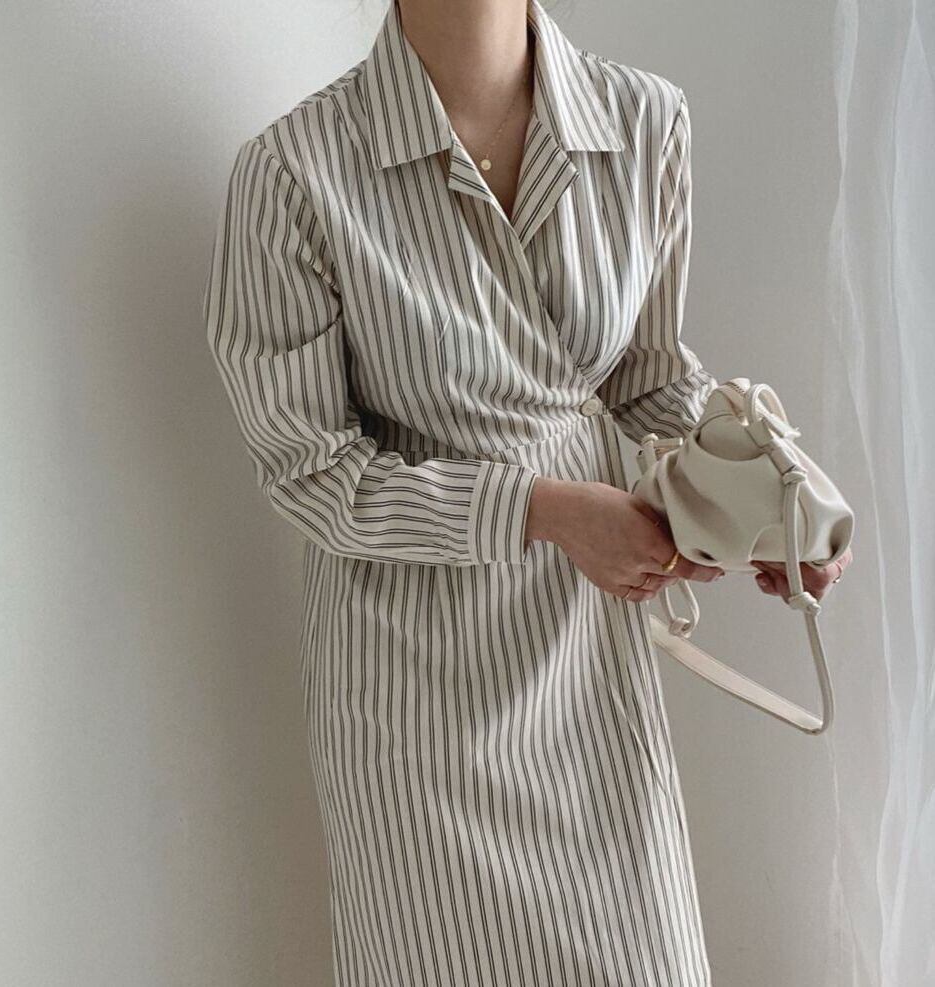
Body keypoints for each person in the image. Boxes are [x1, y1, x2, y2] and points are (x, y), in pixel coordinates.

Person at [202, 1, 849, 984]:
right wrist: (544, 511)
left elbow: (645, 379)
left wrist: (768, 498)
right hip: (416, 678)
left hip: (587, 652)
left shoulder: (644, 122)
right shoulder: (296, 171)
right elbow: (311, 474)